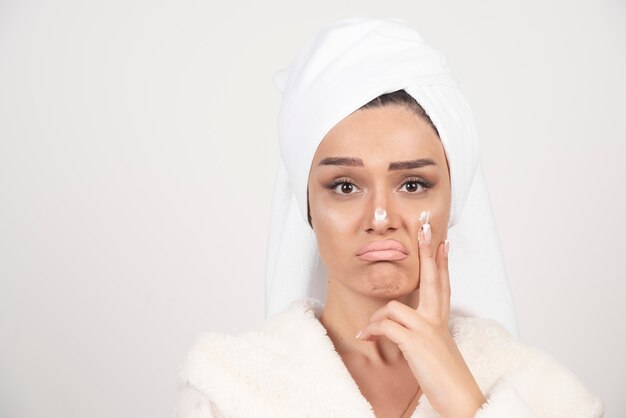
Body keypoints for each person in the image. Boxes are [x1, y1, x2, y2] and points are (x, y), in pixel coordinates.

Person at [173, 18, 604, 418]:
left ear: (453, 201)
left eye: (413, 184)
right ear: (307, 206)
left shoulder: (543, 392)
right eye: (345, 186)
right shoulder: (228, 388)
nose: (380, 218)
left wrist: (466, 400)